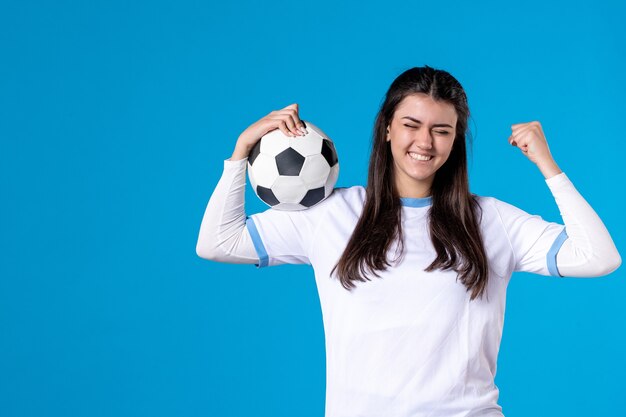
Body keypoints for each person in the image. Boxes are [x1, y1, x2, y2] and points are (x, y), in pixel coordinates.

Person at [195, 66, 621, 417]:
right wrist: (240, 151)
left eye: (442, 131)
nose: (424, 142)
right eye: (411, 125)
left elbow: (599, 257)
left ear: (455, 142)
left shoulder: (491, 220)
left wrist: (549, 166)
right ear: (386, 129)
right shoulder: (330, 215)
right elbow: (218, 241)